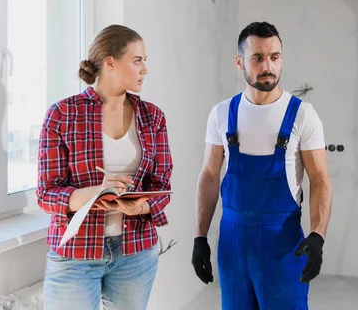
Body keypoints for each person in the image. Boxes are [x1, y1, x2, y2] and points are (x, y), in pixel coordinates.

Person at [191, 21, 333, 309]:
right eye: (257, 58)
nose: (267, 65)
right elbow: (209, 175)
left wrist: (317, 235)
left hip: (281, 245)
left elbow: (319, 180)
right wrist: (200, 236)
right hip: (232, 244)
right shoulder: (221, 114)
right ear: (239, 61)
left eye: (274, 57)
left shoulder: (303, 116)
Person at [36, 24, 172, 310]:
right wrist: (98, 192)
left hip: (136, 252)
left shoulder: (152, 116)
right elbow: (46, 193)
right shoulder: (63, 114)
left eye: (145, 61)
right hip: (75, 253)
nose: (145, 69)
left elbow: (161, 185)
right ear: (111, 62)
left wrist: (141, 206)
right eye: (138, 61)